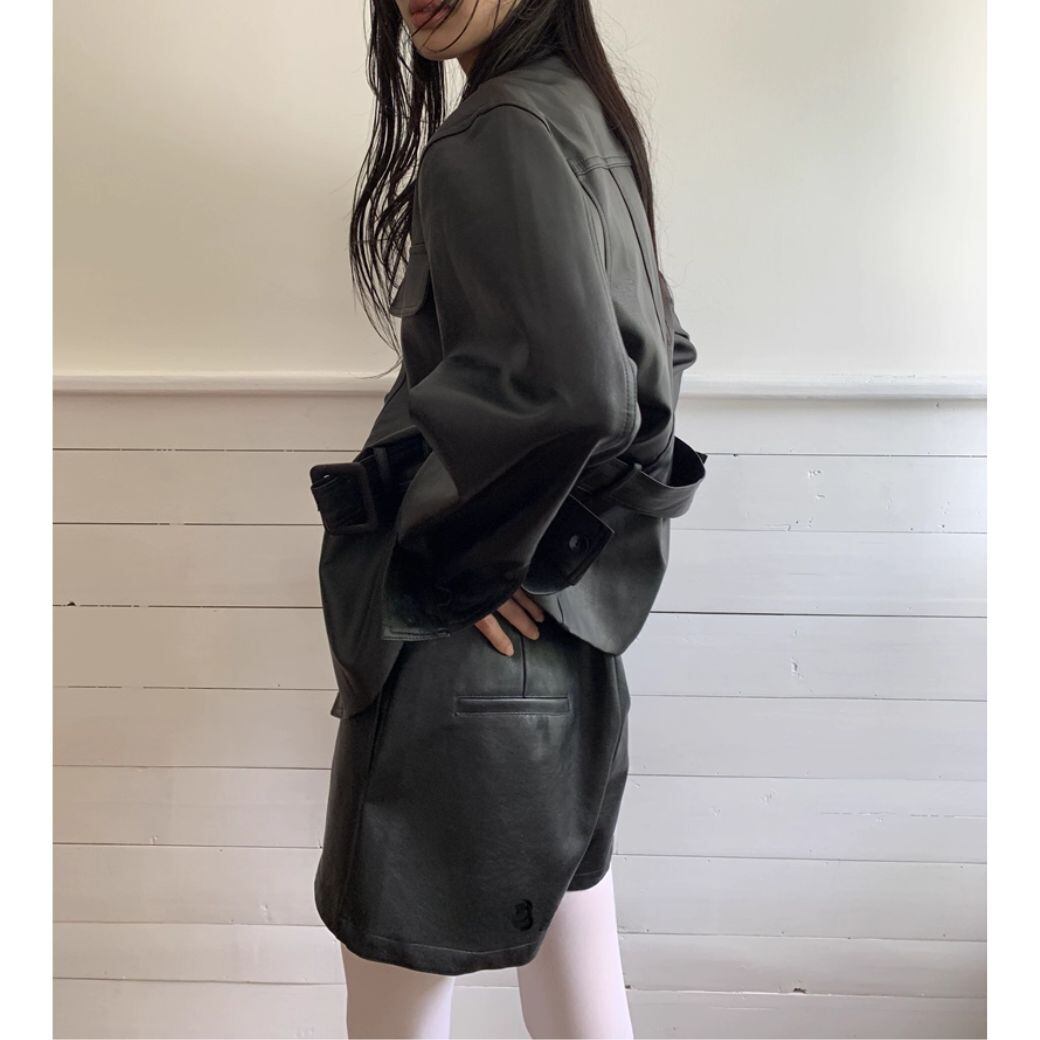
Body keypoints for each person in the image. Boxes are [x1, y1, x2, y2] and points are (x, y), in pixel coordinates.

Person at [309, 1, 708, 1036]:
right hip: (566, 659)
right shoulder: (582, 116)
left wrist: (460, 566)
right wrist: (559, 554)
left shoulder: (493, 133)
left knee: (394, 1005)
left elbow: (581, 394)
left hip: (463, 666)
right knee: (580, 997)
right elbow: (654, 366)